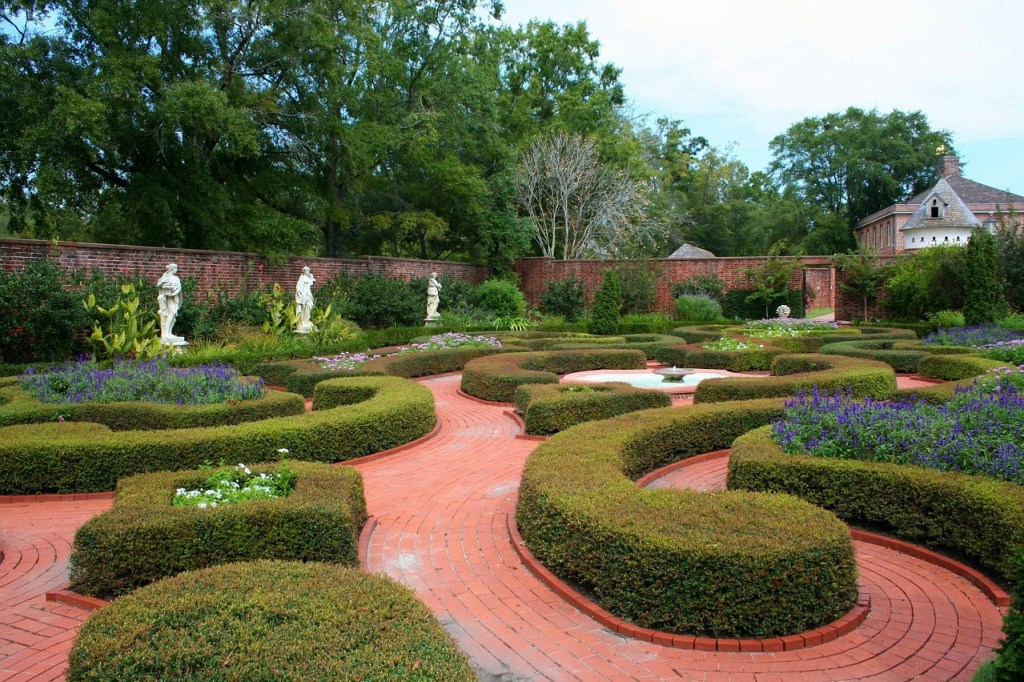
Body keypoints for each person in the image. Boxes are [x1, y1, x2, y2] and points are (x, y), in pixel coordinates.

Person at [156, 263, 183, 342]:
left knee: (173, 316)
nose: (176, 270)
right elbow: (158, 285)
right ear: (172, 269)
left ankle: (169, 333)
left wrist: (174, 293)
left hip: (173, 297)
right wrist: (163, 282)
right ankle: (166, 333)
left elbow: (179, 288)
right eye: (176, 268)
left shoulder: (176, 278)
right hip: (167, 298)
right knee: (172, 312)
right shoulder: (166, 276)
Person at [295, 266, 316, 333]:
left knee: (309, 306)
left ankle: (306, 320)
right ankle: (302, 322)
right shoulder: (302, 278)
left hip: (309, 293)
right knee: (303, 308)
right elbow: (298, 286)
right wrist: (300, 294)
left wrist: (311, 276)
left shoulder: (309, 277)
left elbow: (313, 282)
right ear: (303, 271)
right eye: (305, 271)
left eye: (308, 271)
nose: (307, 272)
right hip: (304, 294)